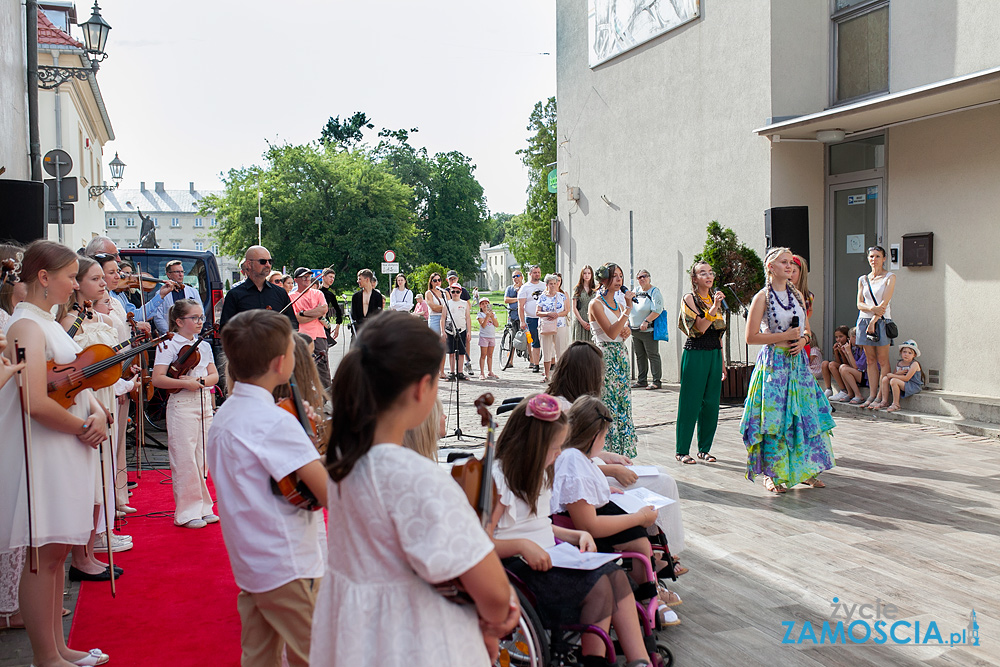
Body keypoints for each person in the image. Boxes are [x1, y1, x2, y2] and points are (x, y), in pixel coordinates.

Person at [311, 312, 518, 666]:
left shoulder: (346, 461)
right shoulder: (417, 477)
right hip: (413, 638)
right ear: (423, 388)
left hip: (359, 635)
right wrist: (498, 616)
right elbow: (494, 591)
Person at [1, 240, 112, 667]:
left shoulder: (44, 323)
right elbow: (33, 398)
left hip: (65, 447)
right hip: (45, 451)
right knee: (42, 553)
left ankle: (59, 647)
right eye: (69, 277)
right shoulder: (25, 327)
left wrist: (98, 411)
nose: (75, 285)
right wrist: (85, 425)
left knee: (57, 551)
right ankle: (45, 655)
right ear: (44, 278)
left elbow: (73, 383)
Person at [492, 394, 656, 665]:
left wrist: (575, 535)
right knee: (601, 585)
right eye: (555, 447)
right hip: (518, 566)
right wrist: (522, 546)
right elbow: (481, 542)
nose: (559, 454)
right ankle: (597, 659)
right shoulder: (500, 480)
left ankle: (640, 659)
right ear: (533, 445)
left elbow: (542, 525)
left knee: (615, 577)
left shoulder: (540, 474)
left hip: (545, 554)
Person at [207, 309, 329, 667]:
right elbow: (327, 493)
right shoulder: (275, 422)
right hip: (287, 561)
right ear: (281, 363)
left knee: (260, 656)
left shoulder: (225, 416)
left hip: (251, 561)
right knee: (317, 655)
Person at [548, 342, 687, 559]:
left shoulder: (571, 403)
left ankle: (659, 545)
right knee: (663, 483)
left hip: (592, 471)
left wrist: (606, 456)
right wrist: (611, 471)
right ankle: (660, 552)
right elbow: (562, 462)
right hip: (585, 481)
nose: (602, 379)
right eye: (599, 373)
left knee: (661, 473)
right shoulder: (563, 409)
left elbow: (574, 449)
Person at [552, 396, 680, 615]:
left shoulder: (576, 456)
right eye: (604, 437)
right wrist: (639, 518)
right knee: (638, 538)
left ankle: (650, 590)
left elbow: (580, 490)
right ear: (594, 436)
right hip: (578, 529)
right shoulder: (573, 461)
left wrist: (602, 489)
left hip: (581, 518)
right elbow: (588, 524)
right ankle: (648, 598)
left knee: (639, 536)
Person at [740, 247, 836, 493]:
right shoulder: (762, 297)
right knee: (775, 419)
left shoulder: (797, 296)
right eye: (784, 262)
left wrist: (803, 340)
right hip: (775, 364)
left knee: (803, 416)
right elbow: (751, 337)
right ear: (771, 267)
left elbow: (807, 330)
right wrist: (784, 336)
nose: (789, 266)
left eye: (791, 262)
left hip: (797, 366)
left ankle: (805, 469)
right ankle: (772, 473)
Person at [152, 299, 219, 529]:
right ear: (179, 321)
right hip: (181, 403)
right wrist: (185, 384)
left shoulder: (205, 345)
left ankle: (203, 506)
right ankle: (186, 511)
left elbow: (214, 376)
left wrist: (198, 381)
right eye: (195, 318)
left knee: (202, 459)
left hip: (203, 403)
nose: (200, 322)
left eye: (201, 317)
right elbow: (158, 378)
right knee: (185, 459)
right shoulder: (168, 345)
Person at [675, 261, 727, 464]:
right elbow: (700, 328)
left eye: (711, 272)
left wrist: (722, 361)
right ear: (695, 278)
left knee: (712, 404)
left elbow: (718, 333)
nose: (708, 276)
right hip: (696, 353)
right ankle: (682, 450)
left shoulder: (715, 298)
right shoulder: (690, 298)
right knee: (691, 403)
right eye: (702, 273)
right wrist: (714, 307)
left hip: (714, 353)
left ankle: (704, 449)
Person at [587, 262, 636, 458]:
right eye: (614, 276)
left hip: (620, 354)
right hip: (605, 356)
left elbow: (622, 331)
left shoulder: (619, 304)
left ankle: (622, 453)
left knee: (623, 402)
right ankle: (605, 451)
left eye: (620, 276)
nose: (618, 280)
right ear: (603, 279)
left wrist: (628, 330)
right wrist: (627, 311)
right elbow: (610, 331)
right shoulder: (595, 304)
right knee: (607, 401)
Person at [220, 246, 297, 330]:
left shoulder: (280, 293)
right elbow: (225, 328)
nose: (268, 265)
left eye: (270, 261)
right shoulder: (234, 295)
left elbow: (293, 324)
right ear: (249, 264)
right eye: (263, 261)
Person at [856, 245, 895, 407]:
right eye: (871, 256)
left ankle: (882, 395)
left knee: (883, 360)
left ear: (884, 258)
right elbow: (859, 303)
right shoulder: (863, 279)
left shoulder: (889, 277)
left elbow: (884, 303)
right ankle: (872, 395)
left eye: (877, 256)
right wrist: (871, 310)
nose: (874, 259)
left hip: (881, 321)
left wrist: (874, 320)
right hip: (864, 320)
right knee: (870, 360)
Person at [289, 268, 331, 390]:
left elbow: (323, 310)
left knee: (322, 367)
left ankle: (326, 396)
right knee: (301, 366)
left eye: (308, 276)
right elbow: (297, 319)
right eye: (303, 277)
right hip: (301, 336)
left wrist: (303, 313)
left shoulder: (318, 293)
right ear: (296, 280)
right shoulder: (292, 297)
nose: (307, 279)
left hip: (319, 335)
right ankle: (303, 394)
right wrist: (315, 314)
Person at [629, 269, 665, 390]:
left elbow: (657, 310)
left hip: (648, 330)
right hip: (635, 330)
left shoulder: (654, 292)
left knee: (652, 355)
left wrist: (646, 321)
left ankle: (656, 381)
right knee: (639, 355)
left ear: (649, 277)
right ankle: (642, 380)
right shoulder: (636, 291)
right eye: (639, 277)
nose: (642, 279)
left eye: (644, 276)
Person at [151, 260, 201, 335]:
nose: (181, 274)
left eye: (182, 271)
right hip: (170, 336)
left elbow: (200, 313)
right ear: (169, 275)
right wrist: (170, 333)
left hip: (190, 334)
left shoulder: (193, 292)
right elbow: (158, 317)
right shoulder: (161, 293)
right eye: (177, 272)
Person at [872, 339, 922, 412]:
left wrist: (893, 375)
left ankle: (896, 404)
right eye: (904, 352)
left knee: (894, 380)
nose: (906, 354)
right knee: (885, 379)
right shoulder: (899, 363)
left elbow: (906, 378)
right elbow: (895, 374)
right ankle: (884, 401)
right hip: (902, 383)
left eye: (909, 353)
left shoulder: (914, 364)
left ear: (914, 355)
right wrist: (897, 374)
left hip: (912, 385)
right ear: (901, 353)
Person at [536, 273, 568, 381]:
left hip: (560, 325)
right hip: (546, 326)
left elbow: (566, 311)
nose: (553, 286)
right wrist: (548, 313)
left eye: (555, 283)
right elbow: (537, 312)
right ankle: (546, 374)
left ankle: (560, 375)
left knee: (561, 349)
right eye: (551, 284)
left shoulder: (562, 296)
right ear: (547, 284)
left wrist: (557, 315)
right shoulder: (542, 297)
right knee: (546, 349)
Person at [517, 265, 546, 373]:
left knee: (546, 341)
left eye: (538, 272)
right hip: (531, 319)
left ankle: (549, 362)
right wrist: (522, 321)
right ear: (530, 274)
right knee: (534, 342)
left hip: (544, 318)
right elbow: (520, 306)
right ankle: (535, 363)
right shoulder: (525, 287)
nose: (537, 274)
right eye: (535, 272)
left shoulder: (544, 285)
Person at [443, 281, 472, 380]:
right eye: (453, 291)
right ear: (450, 292)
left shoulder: (464, 304)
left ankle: (460, 372)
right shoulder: (447, 303)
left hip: (462, 330)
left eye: (457, 292)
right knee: (451, 352)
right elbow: (443, 318)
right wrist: (443, 331)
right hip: (450, 331)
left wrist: (469, 331)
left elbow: (468, 317)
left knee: (461, 352)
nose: (455, 294)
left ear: (460, 292)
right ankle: (452, 372)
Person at [833, 327, 868, 403]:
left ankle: (858, 395)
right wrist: (845, 353)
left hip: (866, 377)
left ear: (855, 337)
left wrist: (849, 352)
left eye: (850, 338)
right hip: (860, 374)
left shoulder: (865, 349)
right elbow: (852, 365)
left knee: (844, 368)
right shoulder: (858, 349)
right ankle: (850, 393)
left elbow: (856, 366)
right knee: (842, 367)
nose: (849, 340)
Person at [350, 268, 384, 335]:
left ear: (367, 279)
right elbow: (353, 315)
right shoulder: (356, 296)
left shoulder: (377, 296)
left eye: (360, 279)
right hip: (358, 330)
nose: (357, 281)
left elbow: (378, 314)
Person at [822, 325, 852, 399]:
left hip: (848, 369)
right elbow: (838, 362)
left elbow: (847, 363)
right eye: (836, 337)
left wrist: (842, 352)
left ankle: (843, 390)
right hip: (841, 368)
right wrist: (836, 352)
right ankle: (828, 389)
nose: (838, 339)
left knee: (832, 365)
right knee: (824, 363)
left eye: (841, 336)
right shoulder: (838, 346)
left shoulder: (849, 346)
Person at [318, 268, 344, 349]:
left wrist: (337, 326)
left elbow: (338, 310)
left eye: (333, 277)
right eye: (330, 277)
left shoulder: (330, 294)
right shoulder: (316, 291)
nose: (332, 279)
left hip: (326, 323)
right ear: (323, 277)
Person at [571, 265, 597, 343]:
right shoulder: (577, 289)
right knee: (579, 346)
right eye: (585, 273)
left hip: (592, 319)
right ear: (582, 275)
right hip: (580, 319)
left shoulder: (595, 289)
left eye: (589, 273)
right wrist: (582, 322)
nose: (587, 275)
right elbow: (574, 307)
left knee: (591, 345)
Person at [477, 296, 499, 380]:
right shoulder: (480, 314)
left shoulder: (493, 314)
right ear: (480, 306)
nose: (485, 305)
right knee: (483, 354)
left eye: (486, 303)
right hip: (484, 337)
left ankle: (490, 371)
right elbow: (483, 325)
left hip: (492, 336)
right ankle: (482, 372)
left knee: (490, 355)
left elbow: (496, 325)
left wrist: (492, 317)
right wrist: (487, 316)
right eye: (483, 304)